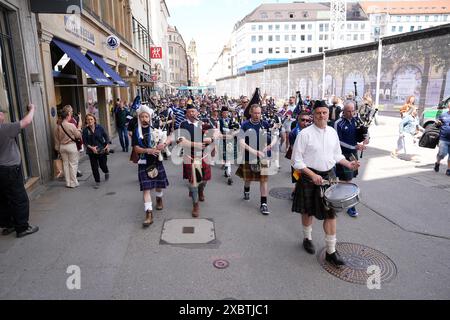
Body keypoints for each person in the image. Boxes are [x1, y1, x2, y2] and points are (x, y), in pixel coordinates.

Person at [291, 100, 360, 266]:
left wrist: (348, 164)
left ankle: (331, 251)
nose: (321, 116)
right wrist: (311, 174)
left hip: (329, 177)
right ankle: (307, 238)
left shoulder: (332, 132)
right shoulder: (304, 134)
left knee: (331, 214)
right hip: (309, 177)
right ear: (313, 115)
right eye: (318, 113)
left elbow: (336, 155)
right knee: (307, 211)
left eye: (324, 113)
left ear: (328, 114)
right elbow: (296, 161)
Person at [0, 104, 39, 238]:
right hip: (10, 169)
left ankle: (9, 224)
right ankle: (22, 227)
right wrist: (32, 109)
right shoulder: (4, 128)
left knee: (4, 199)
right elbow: (26, 121)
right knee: (19, 198)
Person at [132, 105, 170, 227]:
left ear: (149, 117)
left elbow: (166, 139)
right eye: (142, 116)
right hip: (144, 162)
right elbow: (136, 149)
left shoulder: (156, 129)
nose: (144, 118)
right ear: (139, 117)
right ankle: (149, 214)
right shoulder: (136, 131)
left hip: (156, 161)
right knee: (146, 189)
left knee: (158, 186)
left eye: (146, 116)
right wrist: (148, 150)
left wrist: (162, 145)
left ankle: (159, 198)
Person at [236, 104, 276, 216]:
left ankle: (264, 204)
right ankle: (246, 189)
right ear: (251, 112)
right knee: (247, 179)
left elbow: (274, 137)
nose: (257, 115)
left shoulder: (265, 124)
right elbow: (241, 142)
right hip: (249, 156)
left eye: (259, 113)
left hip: (263, 157)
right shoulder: (244, 125)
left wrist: (270, 145)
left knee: (263, 180)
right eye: (255, 113)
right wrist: (254, 151)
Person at [177, 104, 213, 217]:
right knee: (193, 182)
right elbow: (180, 141)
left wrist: (210, 139)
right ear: (187, 114)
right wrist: (196, 144)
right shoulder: (183, 125)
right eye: (190, 112)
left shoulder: (203, 123)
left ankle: (201, 190)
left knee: (204, 180)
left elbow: (213, 136)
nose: (192, 113)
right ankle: (195, 205)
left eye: (194, 111)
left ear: (197, 113)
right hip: (190, 156)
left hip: (203, 156)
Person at [334, 101, 368, 218]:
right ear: (343, 111)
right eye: (348, 111)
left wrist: (367, 138)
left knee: (347, 180)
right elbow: (337, 141)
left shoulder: (357, 121)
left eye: (353, 110)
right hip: (342, 156)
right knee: (346, 181)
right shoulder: (338, 123)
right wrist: (354, 146)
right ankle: (349, 205)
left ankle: (340, 202)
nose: (351, 113)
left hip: (353, 155)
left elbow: (365, 132)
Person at [55, 106, 83, 189]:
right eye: (70, 114)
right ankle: (73, 182)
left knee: (65, 165)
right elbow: (78, 136)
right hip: (71, 146)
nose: (70, 116)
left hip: (62, 147)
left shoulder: (58, 127)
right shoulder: (71, 125)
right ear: (67, 116)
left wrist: (57, 149)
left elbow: (56, 139)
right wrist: (79, 129)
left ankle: (68, 182)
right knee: (73, 164)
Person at [82, 114, 111, 189]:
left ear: (94, 120)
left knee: (102, 165)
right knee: (94, 167)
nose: (90, 121)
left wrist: (107, 144)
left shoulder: (99, 127)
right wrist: (92, 148)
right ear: (86, 121)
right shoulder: (85, 130)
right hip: (91, 152)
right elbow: (85, 142)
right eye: (88, 119)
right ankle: (97, 181)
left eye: (91, 119)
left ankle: (106, 171)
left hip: (102, 150)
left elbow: (106, 136)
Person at [434, 100, 450, 176]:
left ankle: (448, 169)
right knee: (442, 154)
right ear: (448, 107)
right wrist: (438, 123)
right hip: (443, 138)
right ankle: (437, 162)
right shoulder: (443, 115)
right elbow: (437, 125)